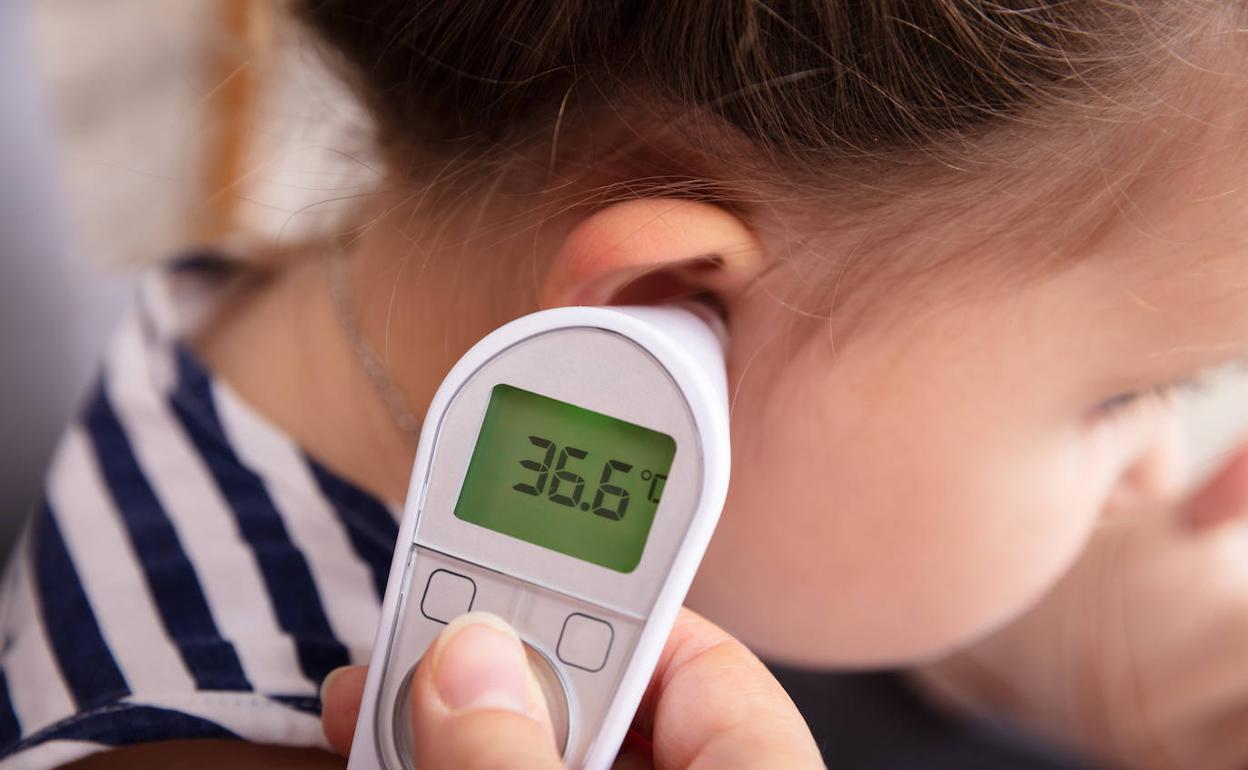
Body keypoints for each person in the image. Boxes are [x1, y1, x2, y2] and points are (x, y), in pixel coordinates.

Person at [2, 0, 1247, 767]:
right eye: (1127, 396)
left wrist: (1057, 653)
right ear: (655, 318)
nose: (1149, 467)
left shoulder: (286, 305)